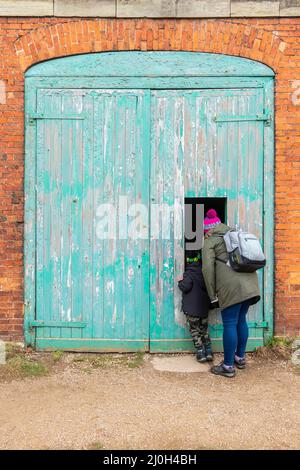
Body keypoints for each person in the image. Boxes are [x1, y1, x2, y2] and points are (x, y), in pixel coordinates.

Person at [202, 209, 260, 378]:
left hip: (232, 288)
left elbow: (206, 269)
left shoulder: (210, 241)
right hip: (250, 284)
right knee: (241, 320)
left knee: (229, 323)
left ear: (207, 229)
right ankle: (239, 358)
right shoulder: (235, 234)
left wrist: (212, 295)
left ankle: (228, 366)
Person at [178, 251, 213, 363]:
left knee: (195, 330)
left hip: (192, 310)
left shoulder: (189, 273)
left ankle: (200, 352)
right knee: (204, 330)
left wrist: (180, 282)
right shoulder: (205, 274)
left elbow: (186, 287)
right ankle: (208, 351)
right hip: (203, 309)